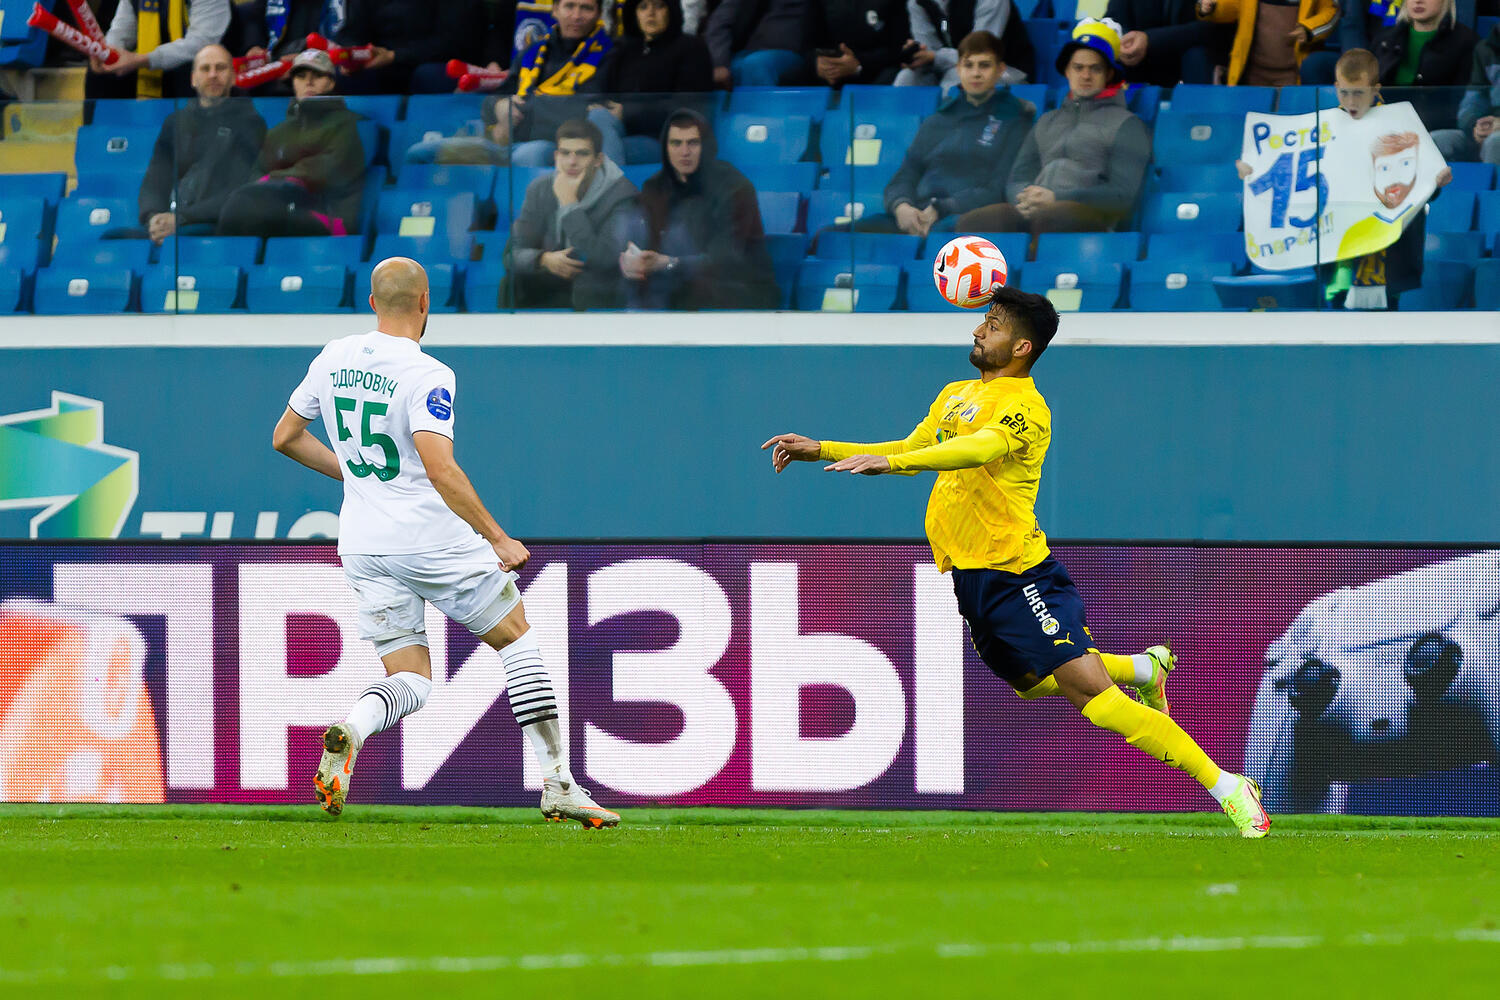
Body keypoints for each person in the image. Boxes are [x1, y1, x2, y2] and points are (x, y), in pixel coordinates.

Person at [760, 287, 1272, 839]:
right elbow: (912, 447)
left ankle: (1227, 786)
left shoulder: (1026, 408)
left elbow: (977, 450)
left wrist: (894, 463)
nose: (979, 330)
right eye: (984, 320)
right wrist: (824, 448)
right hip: (972, 576)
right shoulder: (956, 393)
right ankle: (1143, 669)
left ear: (1022, 346)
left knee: (1093, 698)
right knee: (1030, 683)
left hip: (1020, 573)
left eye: (994, 324)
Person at [272, 256, 619, 829]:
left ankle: (352, 729)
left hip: (363, 544)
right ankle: (559, 784)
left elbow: (286, 437)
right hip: (428, 539)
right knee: (516, 638)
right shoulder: (427, 372)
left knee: (411, 678)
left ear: (372, 303)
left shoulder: (334, 355)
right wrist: (498, 537)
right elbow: (441, 468)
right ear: (425, 302)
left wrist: (358, 478)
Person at [958, 18, 1149, 240]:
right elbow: (1017, 177)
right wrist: (1026, 200)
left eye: (1095, 69)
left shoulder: (1128, 124)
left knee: (1053, 217)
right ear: (1067, 72)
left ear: (1108, 75)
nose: (1085, 76)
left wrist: (1057, 198)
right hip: (1037, 211)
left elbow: (1122, 195)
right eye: (1078, 68)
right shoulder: (1046, 121)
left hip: (1090, 218)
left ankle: (1033, 258)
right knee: (976, 222)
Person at [847, 30, 1034, 239]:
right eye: (968, 65)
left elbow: (999, 188)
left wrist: (942, 208)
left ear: (1000, 70)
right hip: (916, 214)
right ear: (958, 68)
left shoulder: (1015, 119)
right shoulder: (938, 119)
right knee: (834, 236)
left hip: (962, 218)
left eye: (984, 65)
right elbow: (906, 174)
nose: (976, 73)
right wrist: (901, 206)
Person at [1308, 48, 1452, 309]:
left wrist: (1436, 181)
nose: (1351, 101)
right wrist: (1251, 169)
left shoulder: (1403, 122)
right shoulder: (1326, 127)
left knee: (1385, 317)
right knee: (1336, 317)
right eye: (1344, 92)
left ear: (1375, 90)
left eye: (1359, 93)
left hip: (1389, 248)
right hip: (1340, 247)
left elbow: (1423, 181)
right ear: (1336, 87)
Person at [619, 109, 779, 309]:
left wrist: (670, 263)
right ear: (665, 148)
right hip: (672, 287)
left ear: (706, 145)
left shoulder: (735, 187)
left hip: (736, 288)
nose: (684, 152)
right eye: (676, 143)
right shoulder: (655, 187)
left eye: (693, 143)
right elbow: (643, 241)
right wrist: (632, 261)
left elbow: (727, 258)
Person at [106, 44, 266, 244]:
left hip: (212, 224)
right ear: (193, 79)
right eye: (205, 69)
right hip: (173, 221)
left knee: (177, 242)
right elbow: (156, 176)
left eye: (220, 68)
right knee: (113, 239)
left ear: (233, 77)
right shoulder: (175, 122)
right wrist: (153, 216)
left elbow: (237, 189)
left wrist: (182, 218)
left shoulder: (250, 123)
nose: (213, 75)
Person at [217, 49, 366, 237]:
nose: (308, 82)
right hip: (280, 204)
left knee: (253, 207)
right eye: (301, 76)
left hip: (327, 214)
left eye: (317, 75)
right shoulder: (280, 131)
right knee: (236, 207)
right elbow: (258, 172)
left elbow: (325, 170)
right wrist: (274, 182)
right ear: (294, 83)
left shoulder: (349, 123)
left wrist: (276, 177)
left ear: (331, 82)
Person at [502, 118, 638, 309]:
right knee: (510, 283)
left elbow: (605, 260)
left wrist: (569, 205)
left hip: (595, 286)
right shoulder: (540, 188)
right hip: (550, 279)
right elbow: (512, 254)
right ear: (556, 156)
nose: (572, 162)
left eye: (582, 154)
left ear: (598, 160)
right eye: (565, 153)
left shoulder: (622, 194)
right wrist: (543, 259)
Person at [485, 0, 616, 168]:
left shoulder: (610, 54)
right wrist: (499, 105)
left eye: (586, 8)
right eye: (569, 6)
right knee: (458, 147)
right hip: (516, 136)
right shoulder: (532, 51)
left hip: (564, 144)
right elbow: (494, 98)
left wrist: (515, 114)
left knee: (531, 154)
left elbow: (580, 109)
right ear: (555, 10)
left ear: (599, 14)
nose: (576, 16)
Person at [593, 0, 715, 166]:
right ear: (634, 14)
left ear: (670, 11)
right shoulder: (623, 50)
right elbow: (603, 91)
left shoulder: (691, 48)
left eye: (659, 6)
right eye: (643, 7)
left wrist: (628, 112)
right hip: (620, 131)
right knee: (596, 121)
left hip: (667, 138)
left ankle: (609, 182)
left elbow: (689, 107)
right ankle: (610, 180)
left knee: (592, 152)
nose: (650, 13)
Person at [1370, 0, 1480, 136]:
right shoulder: (1385, 39)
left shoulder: (1467, 42)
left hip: (1434, 131)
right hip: (1382, 128)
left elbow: (1462, 103)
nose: (1418, 1)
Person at [88, 0, 233, 99]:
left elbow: (200, 43)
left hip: (198, 62)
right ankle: (104, 132)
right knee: (102, 72)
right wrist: (106, 54)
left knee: (191, 69)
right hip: (151, 60)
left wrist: (143, 59)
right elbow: (122, 30)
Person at [335, 0, 477, 94]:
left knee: (429, 75)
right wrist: (354, 55)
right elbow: (351, 33)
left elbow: (454, 41)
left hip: (434, 60)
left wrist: (394, 56)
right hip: (380, 61)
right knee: (350, 75)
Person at [1193, 0, 1339, 86]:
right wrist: (1211, 8)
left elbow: (1332, 12)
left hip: (1294, 76)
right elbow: (1230, 6)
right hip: (1251, 75)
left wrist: (1310, 29)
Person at [895, 0, 1035, 89]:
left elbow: (980, 54)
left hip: (1002, 70)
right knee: (907, 78)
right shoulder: (918, 3)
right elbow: (928, 49)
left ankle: (949, 128)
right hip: (948, 67)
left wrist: (935, 57)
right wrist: (918, 56)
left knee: (957, 77)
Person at [1104, 0, 1231, 85]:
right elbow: (1113, 20)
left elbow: (1217, 28)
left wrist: (1150, 40)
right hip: (1140, 64)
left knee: (1197, 54)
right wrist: (1127, 42)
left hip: (1196, 63)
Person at [1432, 18, 1500, 165]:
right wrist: (1475, 126)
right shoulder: (1485, 49)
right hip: (1490, 129)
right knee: (1437, 140)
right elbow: (1472, 100)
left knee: (1496, 142)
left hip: (1496, 136)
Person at [704, 0, 812, 87]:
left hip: (799, 53)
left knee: (755, 65)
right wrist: (719, 63)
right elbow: (720, 21)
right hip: (747, 51)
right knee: (708, 70)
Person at [806, 1, 912, 86]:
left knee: (894, 75)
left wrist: (859, 64)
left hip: (878, 70)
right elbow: (806, 44)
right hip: (831, 69)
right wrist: (818, 63)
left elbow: (900, 47)